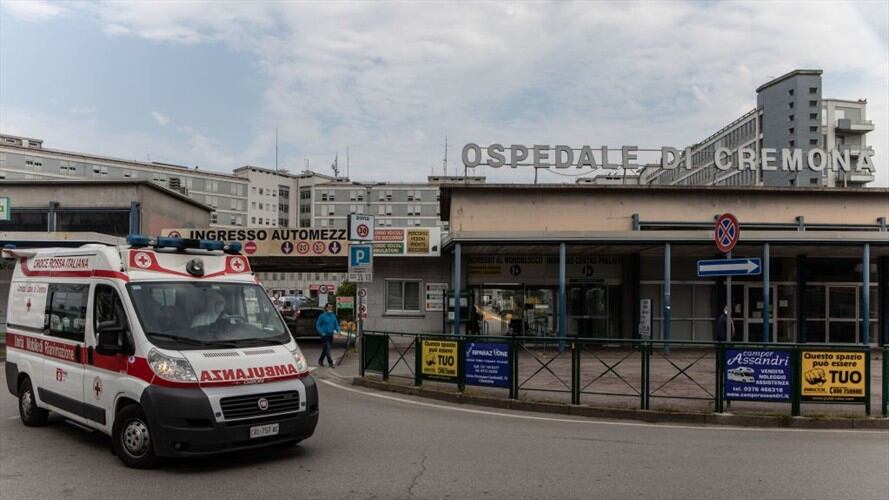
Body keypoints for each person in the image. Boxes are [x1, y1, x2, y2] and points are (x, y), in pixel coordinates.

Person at [315, 303, 340, 367]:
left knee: (325, 349)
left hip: (330, 335)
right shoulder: (322, 316)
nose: (330, 308)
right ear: (326, 308)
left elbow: (336, 324)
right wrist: (321, 332)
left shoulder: (333, 316)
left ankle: (320, 360)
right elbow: (318, 325)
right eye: (329, 307)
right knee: (327, 348)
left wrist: (338, 331)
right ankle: (330, 363)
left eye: (331, 307)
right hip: (324, 335)